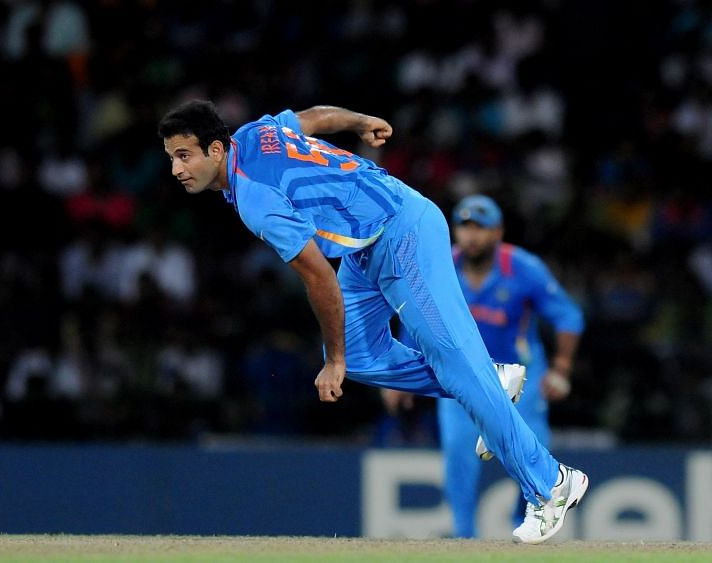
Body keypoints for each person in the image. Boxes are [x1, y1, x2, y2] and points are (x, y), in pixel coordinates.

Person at [157, 100, 588, 544]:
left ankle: (553, 483)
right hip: (365, 246)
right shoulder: (250, 135)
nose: (175, 169)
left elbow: (318, 276)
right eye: (171, 157)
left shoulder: (255, 200)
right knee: (366, 357)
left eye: (184, 155)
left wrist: (334, 360)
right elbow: (315, 118)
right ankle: (489, 383)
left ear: (214, 149)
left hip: (402, 232)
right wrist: (359, 122)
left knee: (416, 362)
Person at [386, 194, 585, 538]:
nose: (471, 236)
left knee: (531, 447)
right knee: (458, 454)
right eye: (465, 228)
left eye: (481, 228)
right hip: (459, 375)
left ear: (498, 232)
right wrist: (395, 379)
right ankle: (465, 536)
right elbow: (413, 321)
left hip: (521, 374)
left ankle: (526, 518)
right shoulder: (438, 265)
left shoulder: (523, 267)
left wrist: (562, 367)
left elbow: (568, 315)